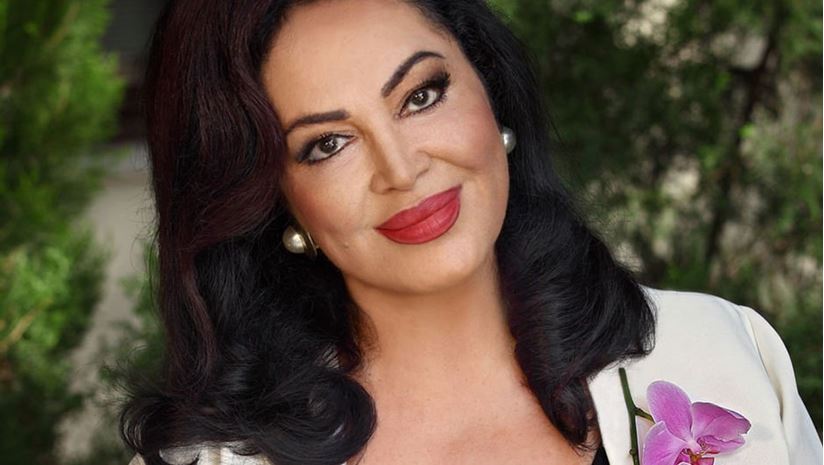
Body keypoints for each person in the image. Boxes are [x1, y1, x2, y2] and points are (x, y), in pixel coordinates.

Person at [122, 1, 822, 464]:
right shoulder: (212, 460)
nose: (402, 170)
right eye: (328, 144)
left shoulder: (723, 352)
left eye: (421, 95)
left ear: (490, 89)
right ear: (275, 201)